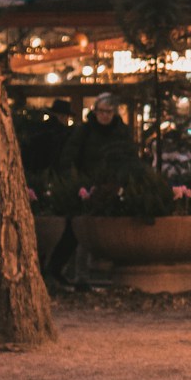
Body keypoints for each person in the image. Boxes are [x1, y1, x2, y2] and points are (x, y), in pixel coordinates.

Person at [46, 93, 134, 286]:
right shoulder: (84, 131)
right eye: (101, 112)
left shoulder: (121, 132)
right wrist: (74, 182)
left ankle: (79, 272)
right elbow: (69, 157)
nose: (104, 116)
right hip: (86, 184)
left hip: (112, 184)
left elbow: (128, 157)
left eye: (108, 112)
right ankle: (73, 273)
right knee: (77, 229)